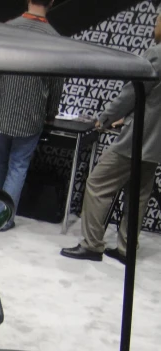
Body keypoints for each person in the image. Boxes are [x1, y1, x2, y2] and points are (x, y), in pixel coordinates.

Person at [61, 13, 161, 264]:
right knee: (138, 194)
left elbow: (132, 92)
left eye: (157, 20)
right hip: (156, 143)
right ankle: (127, 249)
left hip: (137, 139)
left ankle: (92, 245)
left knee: (97, 184)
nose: (154, 25)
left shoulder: (157, 53)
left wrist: (104, 118)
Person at [0, 0, 63, 231]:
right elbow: (57, 82)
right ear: (52, 2)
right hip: (32, 114)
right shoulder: (54, 39)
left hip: (2, 108)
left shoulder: (6, 29)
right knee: (18, 165)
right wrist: (51, 112)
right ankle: (3, 219)